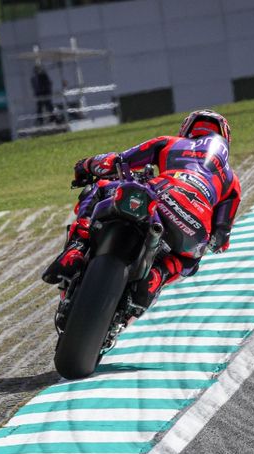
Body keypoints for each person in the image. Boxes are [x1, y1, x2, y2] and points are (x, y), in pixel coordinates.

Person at [42, 110, 242, 309]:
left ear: (187, 129)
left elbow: (115, 161)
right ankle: (157, 275)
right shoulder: (232, 182)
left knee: (99, 188)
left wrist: (84, 166)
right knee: (190, 260)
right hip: (196, 225)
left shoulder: (169, 142)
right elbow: (220, 240)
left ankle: (76, 248)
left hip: (160, 194)